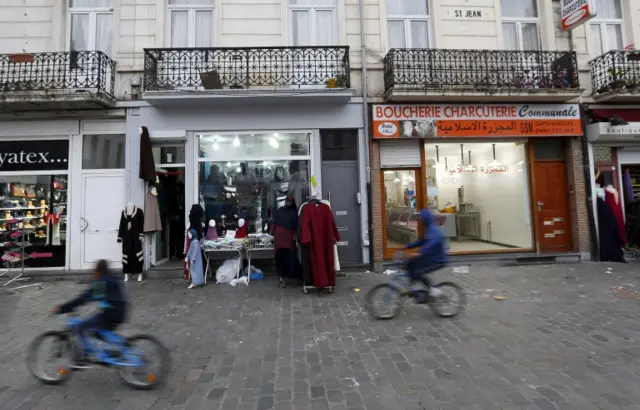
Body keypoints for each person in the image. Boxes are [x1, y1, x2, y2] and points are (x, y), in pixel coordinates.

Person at [52, 259, 128, 367]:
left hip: (111, 314)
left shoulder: (102, 282)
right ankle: (111, 351)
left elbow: (85, 298)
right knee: (96, 331)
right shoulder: (111, 278)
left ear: (98, 271)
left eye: (94, 272)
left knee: (81, 327)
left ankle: (85, 356)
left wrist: (63, 308)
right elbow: (96, 297)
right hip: (119, 312)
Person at [404, 210, 447, 302]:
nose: (420, 220)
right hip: (430, 257)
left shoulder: (433, 229)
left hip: (438, 260)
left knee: (419, 271)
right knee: (410, 264)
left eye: (421, 219)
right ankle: (413, 288)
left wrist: (419, 252)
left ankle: (433, 291)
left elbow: (431, 243)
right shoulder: (428, 229)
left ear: (426, 219)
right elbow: (421, 241)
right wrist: (407, 247)